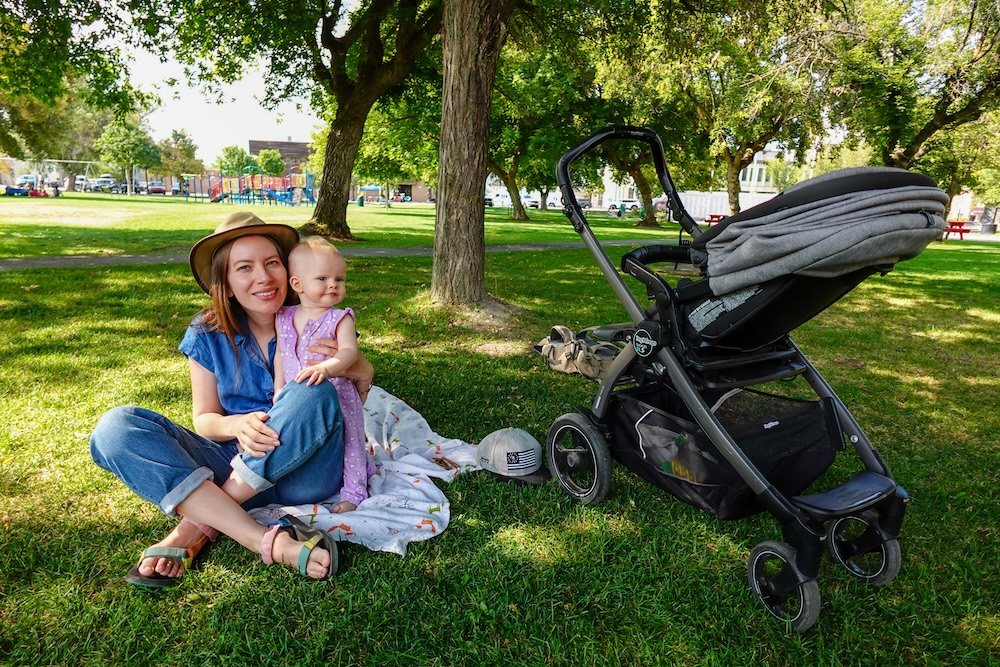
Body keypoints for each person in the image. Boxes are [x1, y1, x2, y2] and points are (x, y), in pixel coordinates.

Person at [90, 212, 374, 587]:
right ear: (224, 283)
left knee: (311, 390)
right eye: (244, 267)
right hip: (234, 458)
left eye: (271, 262)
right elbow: (205, 419)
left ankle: (198, 526)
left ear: (290, 274)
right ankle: (261, 539)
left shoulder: (312, 320)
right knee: (115, 428)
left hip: (306, 468)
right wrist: (236, 425)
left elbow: (361, 375)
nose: (263, 277)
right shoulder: (206, 332)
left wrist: (354, 368)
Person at [273, 237, 373, 514]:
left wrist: (326, 368)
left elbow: (350, 352)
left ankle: (354, 493)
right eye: (323, 278)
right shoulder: (283, 316)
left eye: (339, 279)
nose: (333, 284)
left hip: (339, 395)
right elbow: (281, 354)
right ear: (297, 284)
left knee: (351, 441)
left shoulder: (340, 318)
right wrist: (278, 387)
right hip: (297, 400)